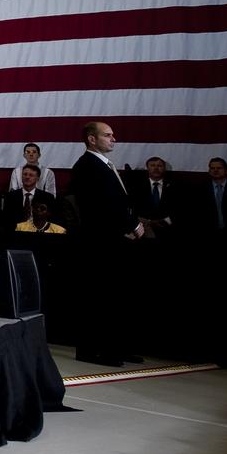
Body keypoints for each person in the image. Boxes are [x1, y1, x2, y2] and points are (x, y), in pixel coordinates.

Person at [68, 121, 143, 367]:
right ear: (92, 139)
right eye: (108, 135)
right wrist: (132, 225)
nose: (113, 139)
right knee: (99, 297)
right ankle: (94, 350)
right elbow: (105, 204)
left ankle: (117, 347)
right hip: (99, 243)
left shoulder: (104, 164)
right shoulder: (86, 166)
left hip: (113, 241)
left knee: (116, 296)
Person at [1, 164, 54, 233]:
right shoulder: (10, 196)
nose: (27, 177)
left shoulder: (47, 197)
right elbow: (5, 219)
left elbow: (51, 220)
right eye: (25, 174)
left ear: (38, 178)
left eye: (31, 175)